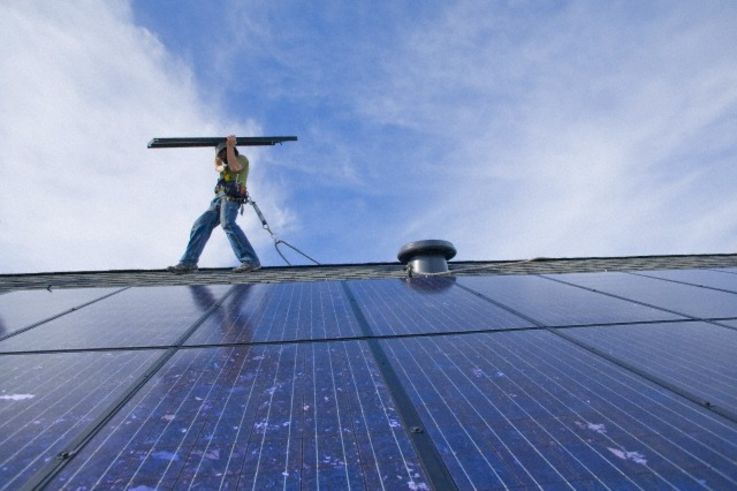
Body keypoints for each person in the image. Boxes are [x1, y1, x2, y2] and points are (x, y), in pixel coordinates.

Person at [168, 134, 261, 273]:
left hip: (231, 197)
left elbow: (235, 167)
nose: (223, 157)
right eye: (221, 155)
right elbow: (218, 167)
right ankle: (188, 262)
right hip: (218, 199)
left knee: (228, 223)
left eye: (224, 154)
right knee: (201, 224)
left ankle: (250, 260)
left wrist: (229, 146)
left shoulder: (241, 159)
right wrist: (216, 152)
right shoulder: (223, 167)